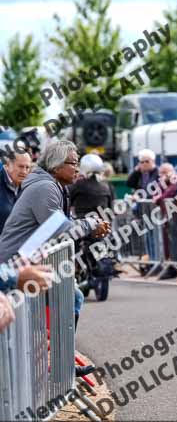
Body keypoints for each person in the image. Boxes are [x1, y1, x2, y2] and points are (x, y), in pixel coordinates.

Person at [0, 140, 110, 377]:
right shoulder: (45, 188)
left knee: (73, 296)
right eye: (73, 163)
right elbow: (60, 229)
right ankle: (57, 366)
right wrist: (91, 224)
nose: (77, 169)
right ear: (56, 164)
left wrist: (89, 227)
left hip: (24, 262)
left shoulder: (52, 185)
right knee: (71, 297)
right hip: (14, 266)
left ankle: (58, 362)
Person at [69, 154, 114, 218]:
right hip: (102, 223)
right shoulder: (106, 186)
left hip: (82, 223)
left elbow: (67, 200)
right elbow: (111, 208)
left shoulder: (79, 185)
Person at [0, 149, 32, 233]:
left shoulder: (27, 186)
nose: (24, 171)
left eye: (27, 167)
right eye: (21, 166)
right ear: (7, 165)